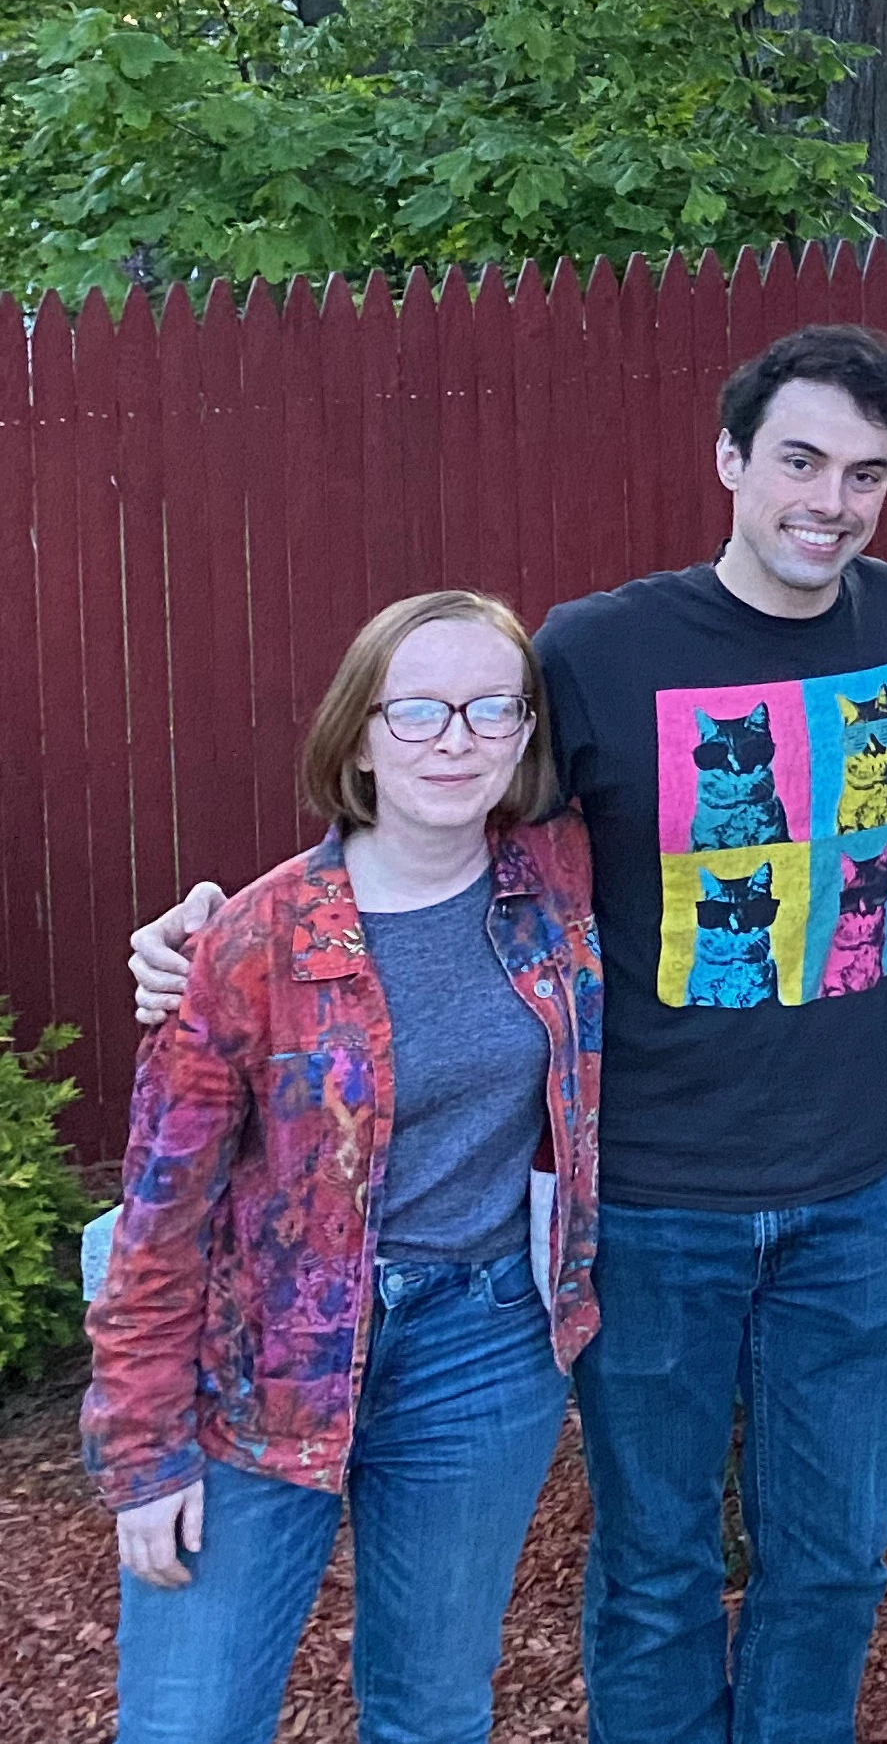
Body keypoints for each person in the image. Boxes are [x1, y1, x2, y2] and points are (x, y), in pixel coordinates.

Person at [135, 325, 887, 1743]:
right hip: (650, 1205)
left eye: (866, 473)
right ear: (731, 461)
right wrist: (230, 930)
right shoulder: (599, 646)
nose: (831, 498)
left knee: (833, 1566)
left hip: (856, 1201)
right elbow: (442, 807)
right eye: (801, 459)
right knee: (657, 1573)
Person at [87, 590, 600, 1744]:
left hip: (480, 1346)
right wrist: (142, 1445)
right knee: (190, 1719)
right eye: (417, 708)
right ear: (359, 732)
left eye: (488, 708)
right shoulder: (250, 942)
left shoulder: (558, 882)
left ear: (525, 733)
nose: (455, 737)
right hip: (260, 1363)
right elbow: (158, 1219)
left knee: (431, 1709)